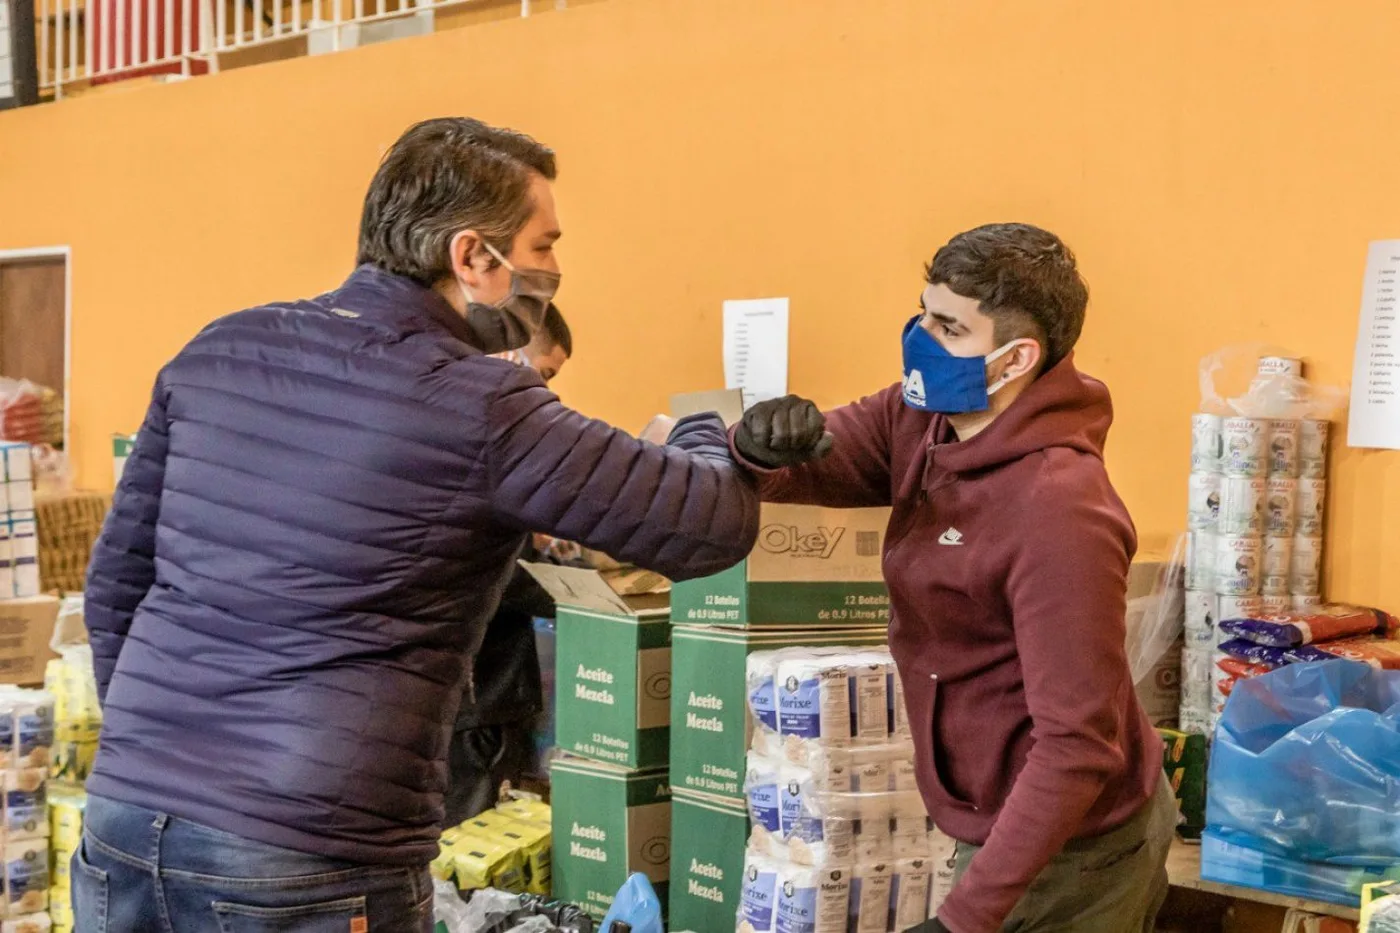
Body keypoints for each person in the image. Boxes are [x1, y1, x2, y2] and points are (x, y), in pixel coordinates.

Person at [78, 118, 788, 933]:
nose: (554, 270)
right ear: (474, 257)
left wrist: (155, 754)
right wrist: (708, 431)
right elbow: (705, 525)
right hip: (307, 857)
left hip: (124, 825)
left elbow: (116, 587)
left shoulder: (219, 349)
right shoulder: (482, 402)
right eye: (544, 245)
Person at [730, 223, 1174, 933]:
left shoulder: (1059, 510)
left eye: (947, 326)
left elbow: (1078, 745)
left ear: (1015, 359)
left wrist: (962, 921)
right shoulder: (922, 419)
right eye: (922, 312)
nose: (920, 338)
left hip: (1077, 849)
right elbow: (812, 460)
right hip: (984, 813)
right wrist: (754, 445)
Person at [445, 301, 576, 825]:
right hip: (480, 699)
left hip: (460, 695)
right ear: (509, 352)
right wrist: (588, 594)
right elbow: (505, 576)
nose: (546, 393)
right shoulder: (480, 443)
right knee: (474, 833)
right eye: (543, 374)